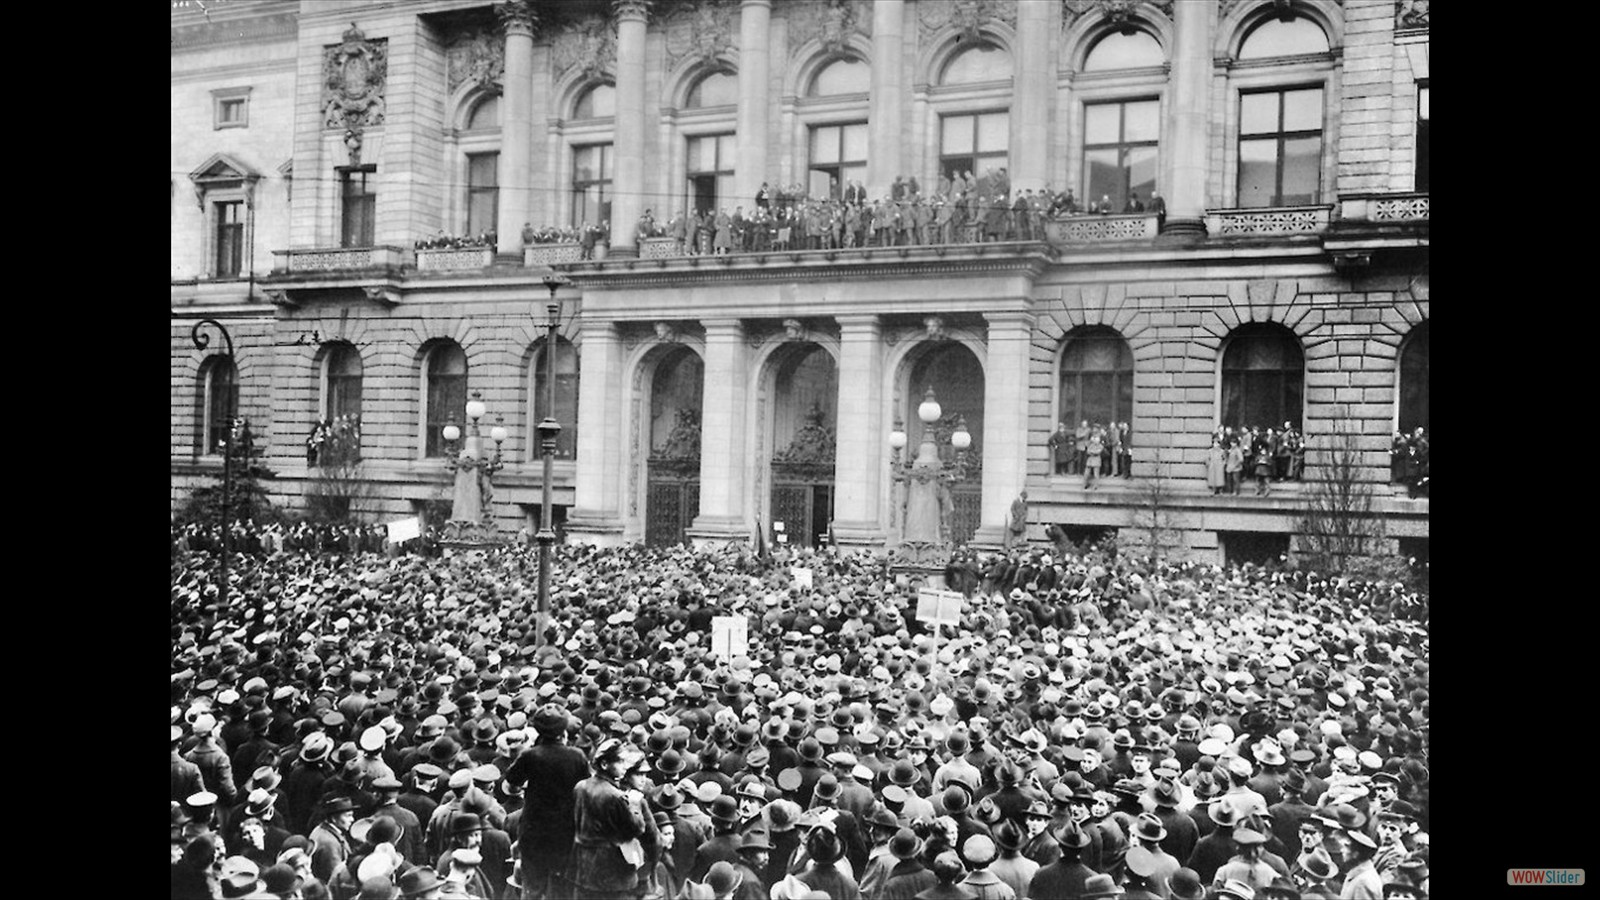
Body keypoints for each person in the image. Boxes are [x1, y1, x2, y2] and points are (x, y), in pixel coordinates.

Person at [571, 738, 655, 899]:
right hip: (611, 870)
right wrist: (635, 805)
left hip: (583, 865)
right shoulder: (616, 796)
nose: (625, 766)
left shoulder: (580, 786)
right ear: (604, 764)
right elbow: (637, 828)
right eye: (620, 761)